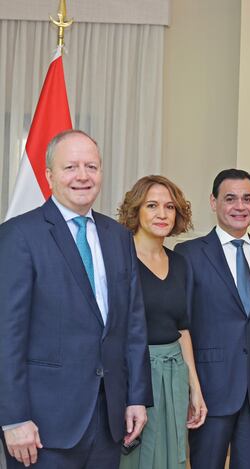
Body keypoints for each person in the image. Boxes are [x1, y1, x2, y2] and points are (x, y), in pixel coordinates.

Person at [0, 130, 152, 468]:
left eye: (91, 166)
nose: (82, 176)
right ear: (49, 176)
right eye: (70, 167)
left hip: (108, 420)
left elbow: (133, 326)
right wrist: (12, 418)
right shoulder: (19, 236)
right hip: (41, 426)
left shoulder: (118, 237)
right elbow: (6, 336)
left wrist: (136, 397)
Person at [174, 169, 250, 469]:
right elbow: (181, 325)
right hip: (210, 391)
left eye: (247, 199)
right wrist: (191, 389)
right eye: (230, 199)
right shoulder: (189, 254)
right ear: (213, 202)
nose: (240, 206)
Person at [117, 175, 207, 469]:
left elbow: (182, 329)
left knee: (172, 457)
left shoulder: (180, 262)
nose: (162, 214)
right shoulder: (119, 258)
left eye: (169, 207)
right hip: (135, 375)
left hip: (174, 375)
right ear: (135, 211)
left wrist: (195, 387)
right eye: (152, 205)